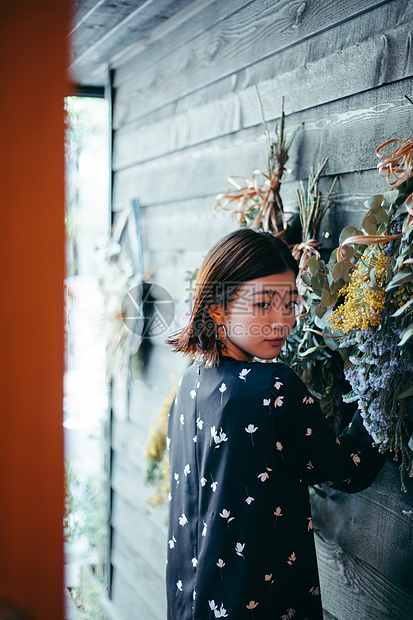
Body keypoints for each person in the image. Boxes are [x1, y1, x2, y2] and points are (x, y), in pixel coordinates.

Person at [165, 229, 385, 620]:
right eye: (264, 304)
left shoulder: (188, 385)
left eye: (290, 303)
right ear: (217, 309)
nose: (283, 320)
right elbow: (350, 470)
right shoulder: (271, 390)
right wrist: (379, 385)